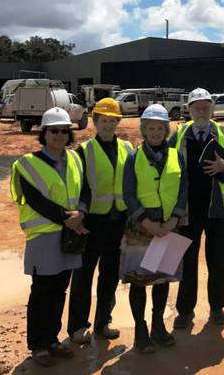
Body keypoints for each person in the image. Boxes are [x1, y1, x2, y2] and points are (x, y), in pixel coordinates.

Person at [10, 107, 90, 367]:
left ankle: (53, 338)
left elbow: (85, 191)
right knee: (42, 291)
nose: (59, 135)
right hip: (44, 236)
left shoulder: (76, 159)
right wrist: (68, 218)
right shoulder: (26, 164)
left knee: (59, 290)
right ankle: (38, 344)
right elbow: (35, 200)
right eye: (54, 130)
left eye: (64, 131)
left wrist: (82, 212)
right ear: (43, 133)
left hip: (70, 234)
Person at [170, 88, 224, 329]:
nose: (201, 110)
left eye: (205, 106)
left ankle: (217, 307)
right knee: (187, 261)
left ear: (212, 109)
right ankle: (185, 311)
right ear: (189, 110)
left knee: (218, 260)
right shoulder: (178, 136)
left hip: (217, 210)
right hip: (187, 211)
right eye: (196, 106)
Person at [122, 104, 188, 353]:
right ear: (143, 130)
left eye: (160, 128)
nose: (156, 132)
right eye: (151, 128)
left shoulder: (176, 156)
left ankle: (158, 325)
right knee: (139, 281)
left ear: (166, 129)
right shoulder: (133, 157)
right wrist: (147, 222)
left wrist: (173, 221)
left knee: (162, 279)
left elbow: (184, 189)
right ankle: (141, 329)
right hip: (142, 227)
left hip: (169, 225)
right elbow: (128, 194)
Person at [67, 98, 133, 344]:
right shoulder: (84, 151)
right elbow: (78, 186)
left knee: (110, 275)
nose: (107, 125)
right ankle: (77, 326)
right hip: (91, 223)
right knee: (83, 275)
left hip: (118, 222)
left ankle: (103, 321)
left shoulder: (127, 148)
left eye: (112, 120)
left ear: (117, 122)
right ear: (95, 122)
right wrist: (78, 214)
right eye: (103, 120)